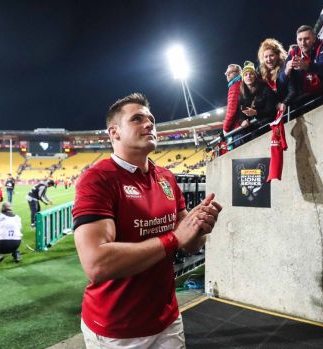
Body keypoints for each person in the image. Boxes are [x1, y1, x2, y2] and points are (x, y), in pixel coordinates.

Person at [72, 93, 222, 348]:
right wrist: (173, 238)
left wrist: (200, 227)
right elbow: (96, 263)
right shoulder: (97, 179)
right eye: (137, 119)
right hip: (117, 328)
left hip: (167, 318)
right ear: (114, 132)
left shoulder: (166, 178)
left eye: (151, 119)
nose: (150, 124)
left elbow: (190, 245)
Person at [281, 25, 323, 98]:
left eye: (306, 39)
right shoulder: (294, 53)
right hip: (305, 98)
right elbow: (280, 79)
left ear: (314, 38)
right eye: (300, 40)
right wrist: (286, 71)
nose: (303, 43)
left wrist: (306, 66)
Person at [234, 61, 277, 140]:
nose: (248, 76)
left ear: (255, 76)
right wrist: (242, 121)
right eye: (246, 75)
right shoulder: (241, 96)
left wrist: (256, 112)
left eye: (251, 74)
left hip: (268, 127)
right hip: (253, 130)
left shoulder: (265, 89)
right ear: (243, 78)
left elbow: (272, 110)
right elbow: (241, 113)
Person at [258, 38, 296, 112]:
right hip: (276, 111)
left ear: (278, 55)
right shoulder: (263, 74)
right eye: (266, 57)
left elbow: (293, 91)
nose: (269, 59)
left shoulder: (285, 67)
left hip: (291, 108)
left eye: (271, 55)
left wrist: (284, 103)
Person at [222, 63, 242, 150]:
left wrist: (225, 128)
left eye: (230, 72)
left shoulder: (235, 86)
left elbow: (231, 111)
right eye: (227, 73)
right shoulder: (240, 83)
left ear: (238, 72)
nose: (227, 74)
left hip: (238, 129)